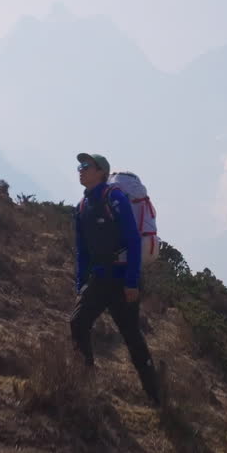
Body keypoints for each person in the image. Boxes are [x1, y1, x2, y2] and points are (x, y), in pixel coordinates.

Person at [71, 152, 161, 405]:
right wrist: (80, 284)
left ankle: (155, 396)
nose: (80, 169)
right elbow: (82, 250)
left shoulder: (115, 198)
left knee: (132, 336)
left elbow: (133, 240)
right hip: (100, 279)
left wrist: (132, 282)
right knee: (77, 323)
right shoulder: (81, 207)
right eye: (79, 165)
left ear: (101, 172)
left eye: (86, 165)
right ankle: (86, 386)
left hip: (122, 278)